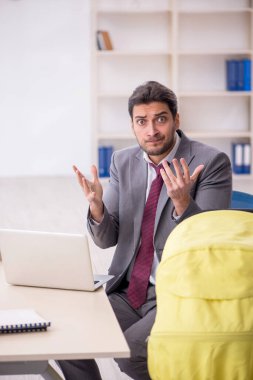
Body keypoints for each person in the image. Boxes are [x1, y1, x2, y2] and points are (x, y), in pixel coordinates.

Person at [58, 81, 232, 380]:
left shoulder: (211, 162)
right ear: (133, 126)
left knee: (129, 354)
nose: (151, 130)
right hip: (126, 290)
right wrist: (97, 207)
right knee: (67, 333)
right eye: (142, 121)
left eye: (160, 119)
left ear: (176, 120)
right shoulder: (122, 161)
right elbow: (107, 240)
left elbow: (208, 247)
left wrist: (182, 203)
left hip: (177, 291)